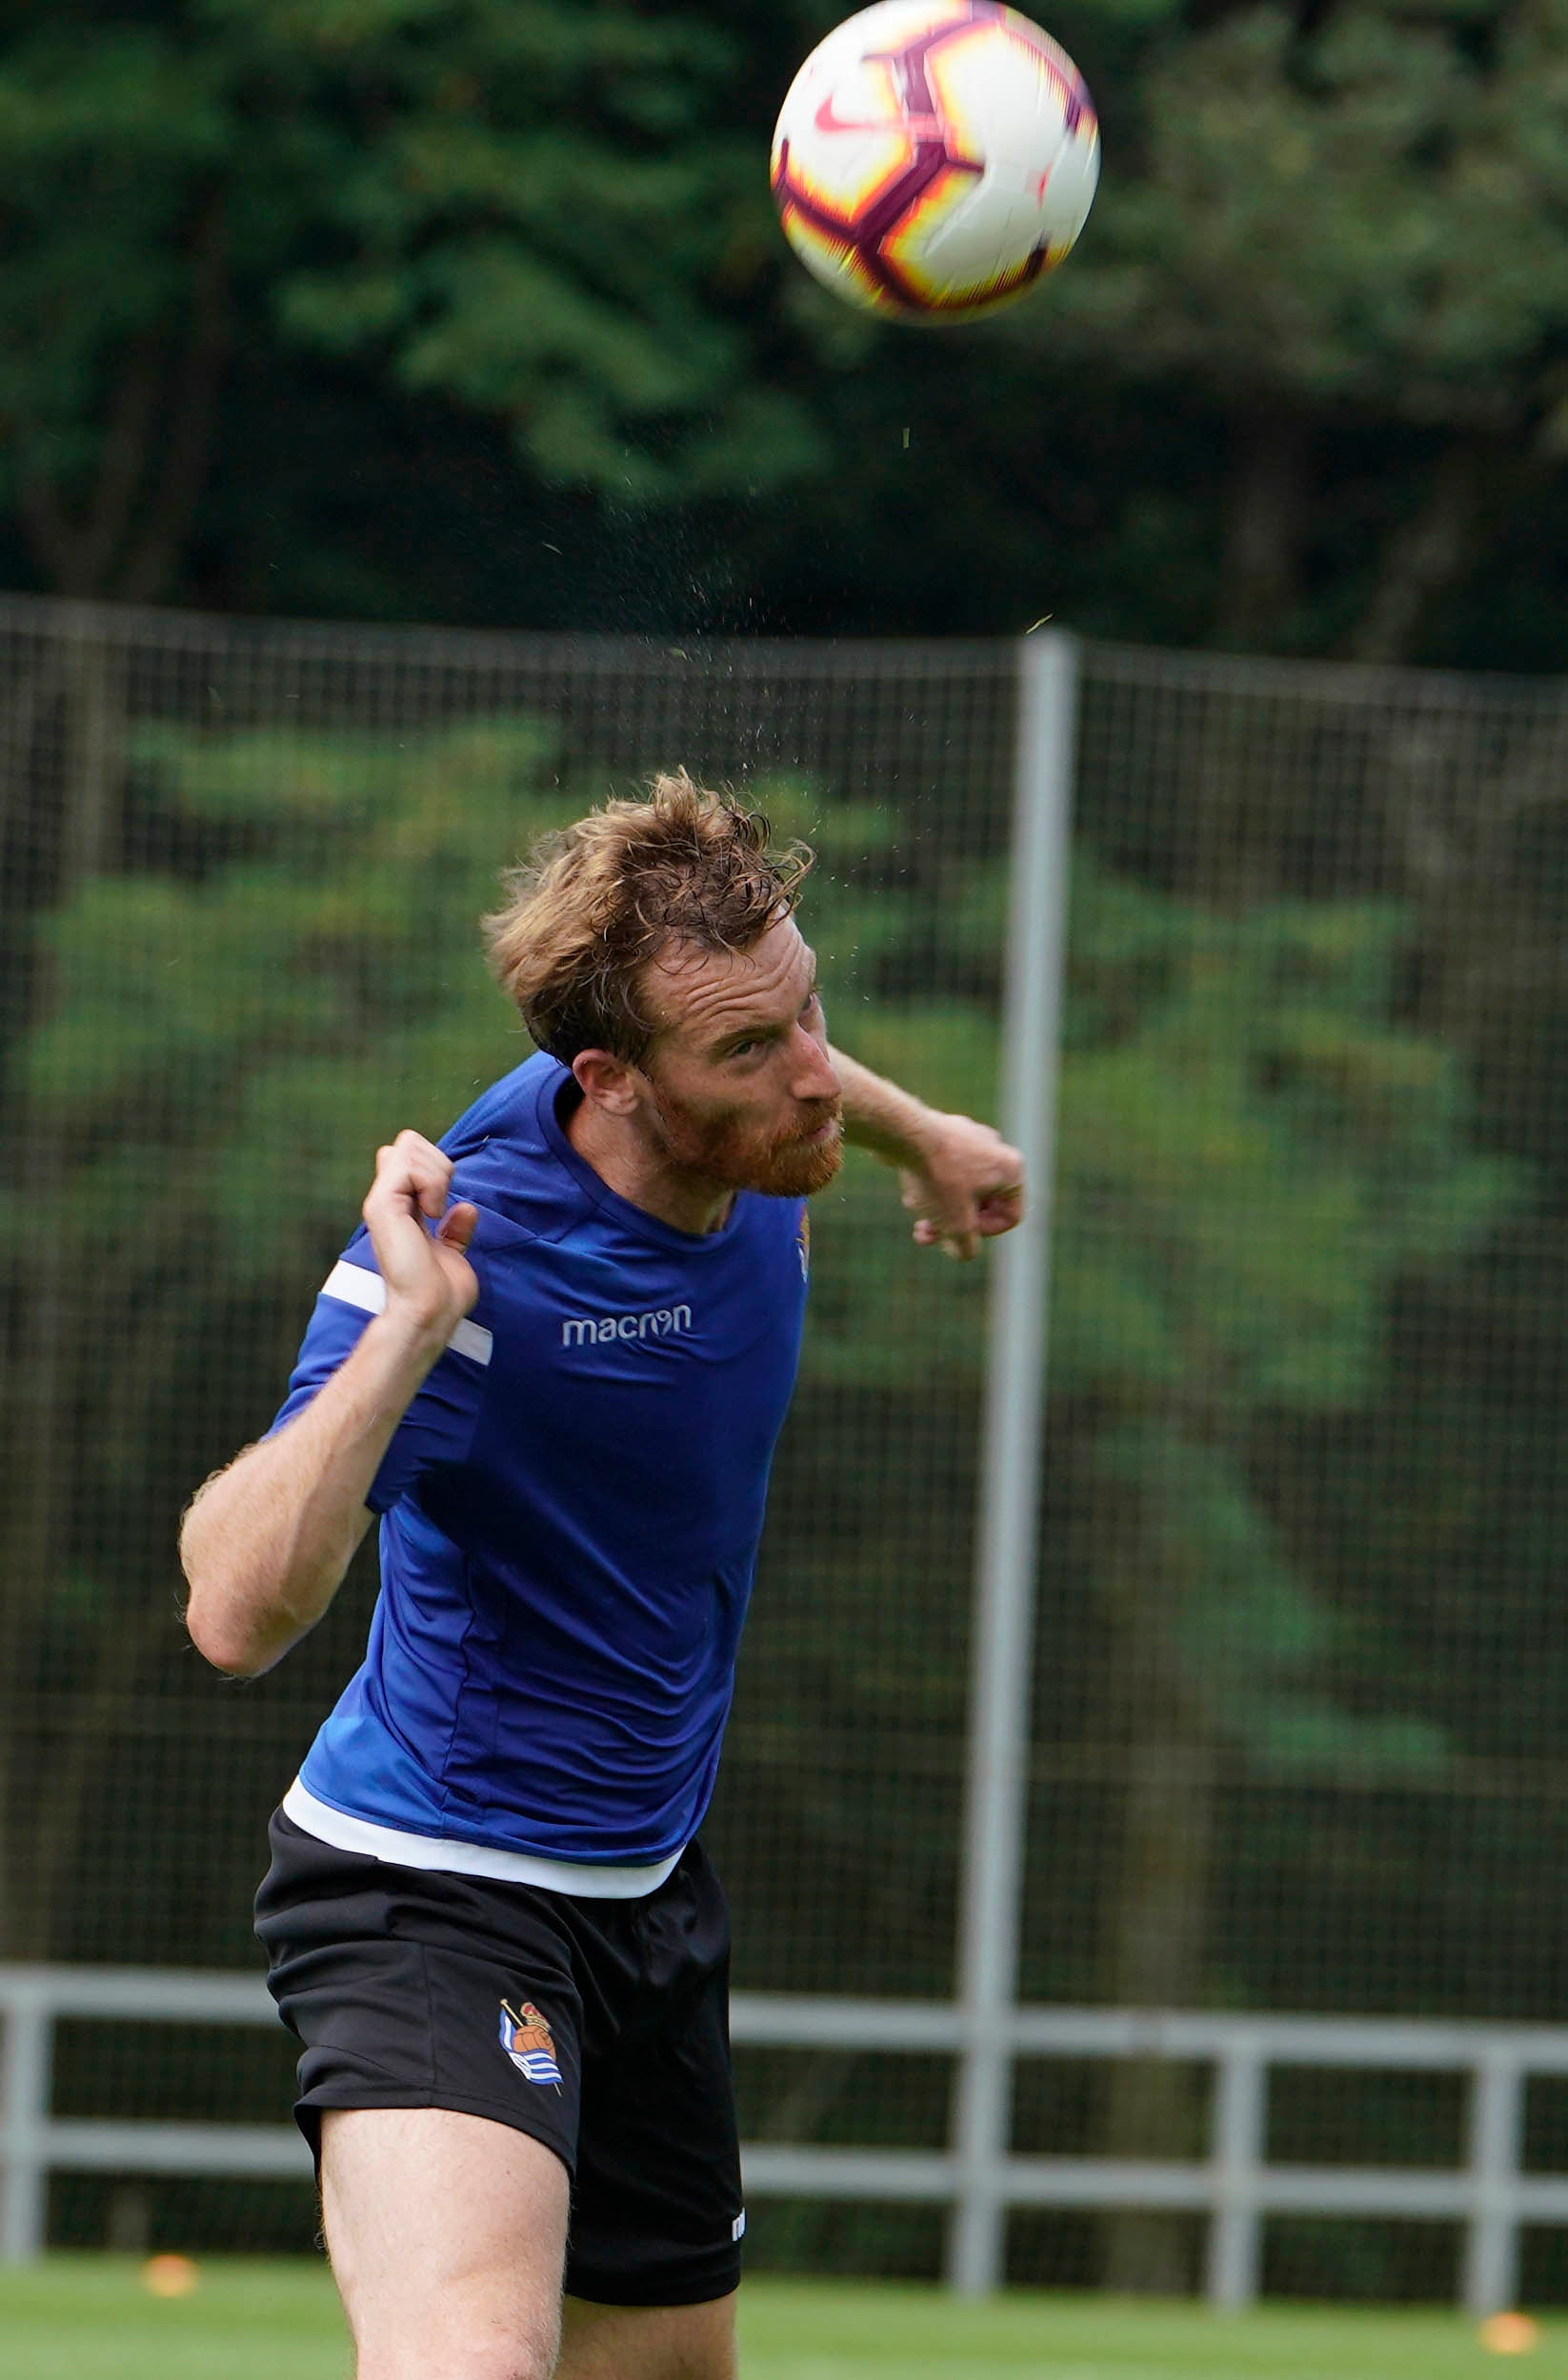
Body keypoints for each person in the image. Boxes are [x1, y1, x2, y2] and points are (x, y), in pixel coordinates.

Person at [181, 773, 1024, 2380]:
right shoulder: (474, 1255)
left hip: (642, 1887)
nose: (810, 1078)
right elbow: (232, 1611)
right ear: (607, 1082)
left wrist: (927, 1137)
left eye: (809, 1015)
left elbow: (795, 1051)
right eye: (748, 1053)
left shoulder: (762, 1114)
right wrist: (401, 1343)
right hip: (424, 1882)